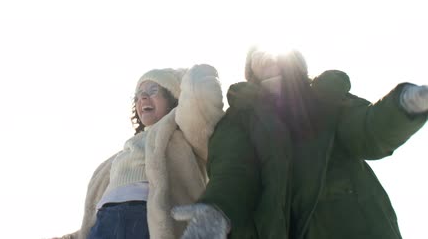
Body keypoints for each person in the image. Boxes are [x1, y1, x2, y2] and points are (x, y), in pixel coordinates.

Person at [174, 47, 428, 239]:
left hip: (351, 224)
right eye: (257, 53)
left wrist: (404, 105)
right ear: (250, 66)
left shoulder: (326, 96)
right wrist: (217, 209)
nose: (267, 57)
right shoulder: (240, 117)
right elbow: (233, 171)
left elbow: (365, 129)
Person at [54, 64, 224, 239]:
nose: (142, 97)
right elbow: (93, 216)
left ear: (174, 96)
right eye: (137, 96)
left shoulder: (183, 132)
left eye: (152, 90)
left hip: (144, 216)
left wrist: (193, 78)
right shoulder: (121, 154)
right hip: (105, 220)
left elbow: (200, 104)